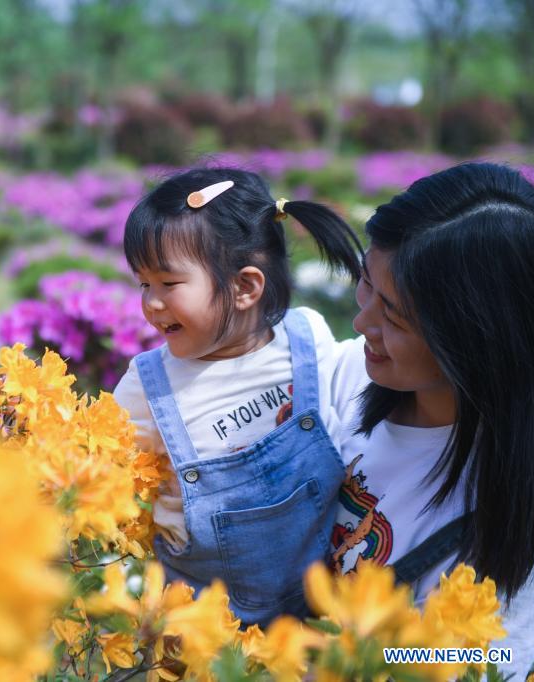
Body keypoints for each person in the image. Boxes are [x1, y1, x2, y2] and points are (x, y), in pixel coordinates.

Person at [112, 166, 363, 626]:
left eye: (168, 284)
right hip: (203, 634)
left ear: (245, 287)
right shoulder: (148, 386)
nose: (151, 302)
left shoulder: (306, 339)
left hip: (317, 621)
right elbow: (103, 469)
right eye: (143, 284)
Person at [330, 162, 534, 680]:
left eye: (394, 316)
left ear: (474, 342)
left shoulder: (507, 506)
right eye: (365, 284)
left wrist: (355, 662)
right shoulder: (344, 376)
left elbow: (486, 657)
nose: (362, 324)